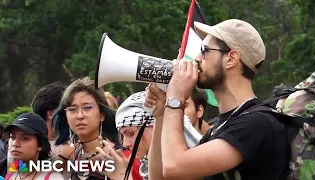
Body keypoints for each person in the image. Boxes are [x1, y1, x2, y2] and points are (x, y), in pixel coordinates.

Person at [144, 19, 288, 179]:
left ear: (231, 58)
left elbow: (174, 167)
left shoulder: (258, 123)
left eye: (204, 50)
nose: (197, 58)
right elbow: (160, 177)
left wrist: (175, 99)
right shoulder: (220, 128)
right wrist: (162, 114)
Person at [52, 77, 135, 180]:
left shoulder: (121, 156)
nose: (79, 115)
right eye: (72, 109)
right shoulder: (73, 155)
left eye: (87, 108)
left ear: (102, 115)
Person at [3, 113, 64, 180]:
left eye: (25, 138)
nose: (15, 143)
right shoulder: (10, 175)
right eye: (12, 137)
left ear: (40, 145)